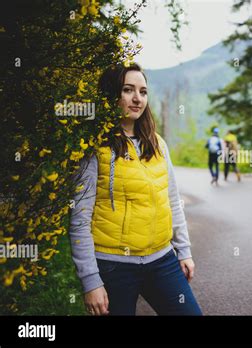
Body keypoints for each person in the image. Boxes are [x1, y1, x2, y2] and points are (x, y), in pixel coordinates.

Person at [68, 63, 202, 316]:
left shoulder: (157, 143)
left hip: (162, 261)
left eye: (143, 91)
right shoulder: (95, 147)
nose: (137, 98)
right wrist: (91, 281)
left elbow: (172, 201)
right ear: (111, 96)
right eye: (128, 90)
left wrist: (183, 250)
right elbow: (80, 218)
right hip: (113, 267)